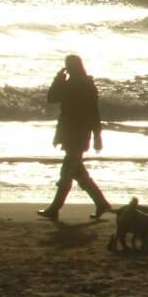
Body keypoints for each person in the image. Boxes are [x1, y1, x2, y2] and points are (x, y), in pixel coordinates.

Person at [39, 54, 113, 221]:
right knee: (78, 172)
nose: (69, 68)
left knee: (66, 172)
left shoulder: (86, 85)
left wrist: (97, 136)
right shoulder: (69, 84)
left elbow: (94, 113)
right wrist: (58, 79)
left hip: (79, 133)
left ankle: (55, 208)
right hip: (68, 132)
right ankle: (101, 203)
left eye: (70, 65)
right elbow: (52, 99)